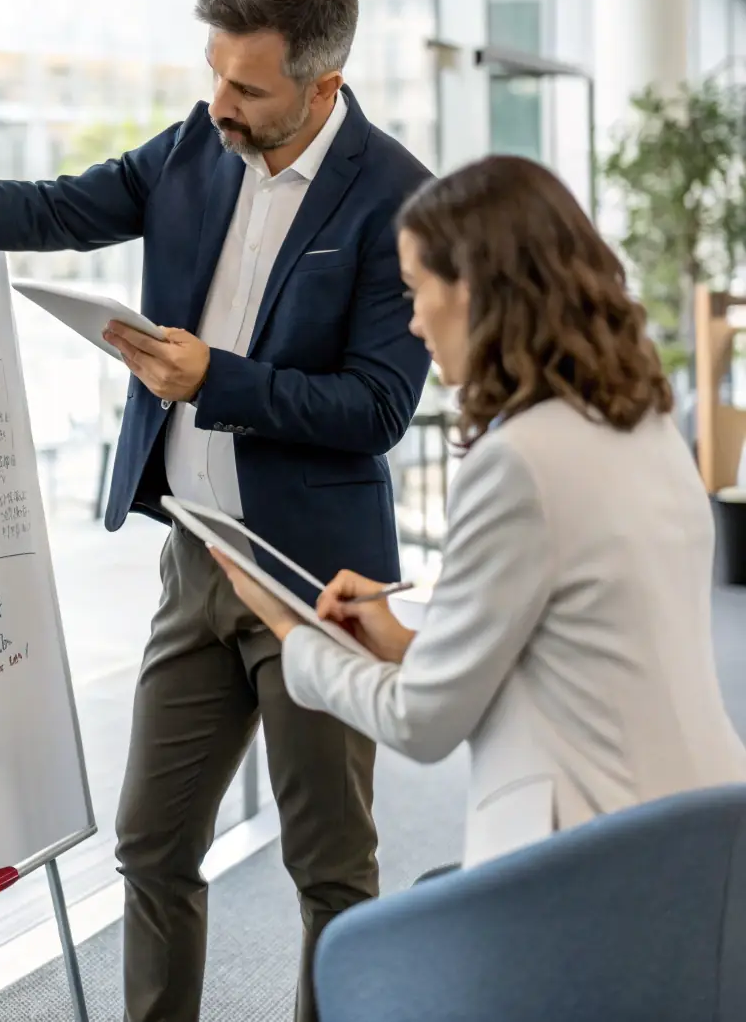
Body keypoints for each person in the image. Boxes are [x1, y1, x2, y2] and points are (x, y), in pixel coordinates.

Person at [0, 0, 432, 1022]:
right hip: (198, 557)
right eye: (214, 73)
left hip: (318, 585)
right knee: (151, 845)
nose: (220, 104)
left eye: (247, 86)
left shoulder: (399, 200)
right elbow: (61, 208)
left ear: (323, 84)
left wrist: (220, 379)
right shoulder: (197, 146)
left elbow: (377, 407)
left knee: (330, 875)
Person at [215, 154, 746, 871]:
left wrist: (292, 632)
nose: (411, 320)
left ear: (475, 290)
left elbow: (422, 721)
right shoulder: (645, 425)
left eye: (415, 289)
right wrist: (405, 645)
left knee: (375, 959)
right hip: (705, 830)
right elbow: (576, 647)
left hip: (597, 861)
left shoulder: (517, 462)